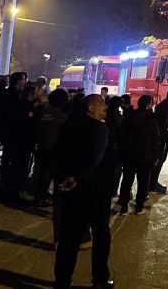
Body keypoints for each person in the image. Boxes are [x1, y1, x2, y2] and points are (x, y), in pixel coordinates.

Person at [53, 94, 115, 289]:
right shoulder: (99, 129)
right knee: (100, 235)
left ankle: (62, 282)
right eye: (100, 103)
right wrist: (78, 178)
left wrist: (63, 177)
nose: (105, 107)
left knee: (69, 238)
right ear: (89, 108)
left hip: (72, 190)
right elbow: (95, 159)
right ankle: (100, 280)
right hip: (95, 191)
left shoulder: (67, 126)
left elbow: (56, 154)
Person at [118, 95, 160, 215]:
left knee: (127, 181)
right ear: (148, 105)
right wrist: (156, 156)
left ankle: (124, 206)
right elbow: (155, 138)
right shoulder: (151, 118)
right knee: (142, 182)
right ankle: (139, 207)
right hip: (145, 156)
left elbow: (122, 134)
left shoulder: (129, 115)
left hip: (129, 154)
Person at [33, 89, 69, 206]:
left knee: (40, 172)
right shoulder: (62, 117)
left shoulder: (43, 113)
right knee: (49, 175)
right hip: (54, 150)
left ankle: (39, 195)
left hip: (41, 147)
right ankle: (43, 197)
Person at [151, 88, 168, 193]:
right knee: (159, 159)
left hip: (162, 137)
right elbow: (166, 123)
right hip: (162, 138)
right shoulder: (167, 107)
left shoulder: (163, 105)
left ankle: (154, 182)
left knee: (160, 159)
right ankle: (152, 183)